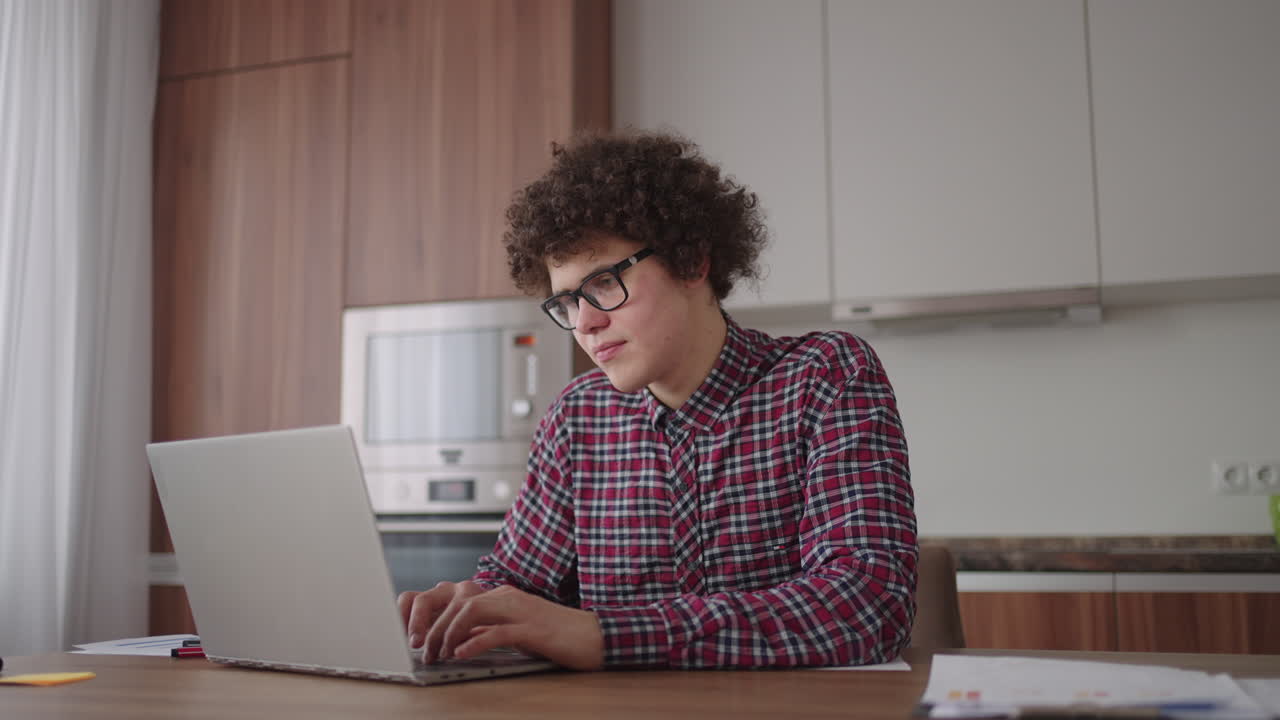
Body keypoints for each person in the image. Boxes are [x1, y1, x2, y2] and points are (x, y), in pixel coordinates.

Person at [398, 130, 917, 671]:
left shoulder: (825, 376)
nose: (586, 324)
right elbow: (518, 585)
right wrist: (469, 608)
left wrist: (603, 635)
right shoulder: (578, 418)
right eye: (567, 303)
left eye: (602, 283)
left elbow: (868, 605)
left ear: (692, 262)